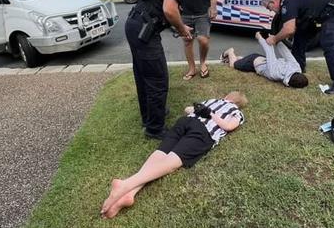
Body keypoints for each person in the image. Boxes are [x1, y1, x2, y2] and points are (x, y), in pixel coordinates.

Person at [100, 91, 248, 219]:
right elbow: (223, 124)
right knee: (170, 161)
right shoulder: (231, 110)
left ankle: (130, 192)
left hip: (191, 125)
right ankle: (127, 185)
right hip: (200, 130)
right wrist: (205, 112)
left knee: (161, 154)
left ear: (228, 97)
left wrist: (206, 111)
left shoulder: (221, 105)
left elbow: (193, 111)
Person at [126, 0, 206, 139]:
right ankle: (155, 129)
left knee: (143, 74)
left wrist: (180, 25)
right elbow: (169, 9)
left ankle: (150, 116)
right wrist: (182, 28)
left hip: (135, 25)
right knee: (158, 79)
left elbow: (162, 6)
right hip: (144, 31)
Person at [262, 0, 334, 94]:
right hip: (315, 16)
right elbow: (292, 30)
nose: (270, 10)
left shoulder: (287, 3)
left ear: (273, 2)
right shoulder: (288, 0)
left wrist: (274, 39)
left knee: (329, 45)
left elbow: (289, 29)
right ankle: (297, 68)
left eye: (268, 7)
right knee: (300, 37)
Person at [221, 32, 308, 88]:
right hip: (254, 61)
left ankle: (235, 58)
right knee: (233, 65)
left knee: (241, 61)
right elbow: (270, 53)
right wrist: (260, 38)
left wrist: (277, 41)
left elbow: (286, 54)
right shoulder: (276, 73)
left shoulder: (297, 67)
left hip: (261, 62)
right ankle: (229, 51)